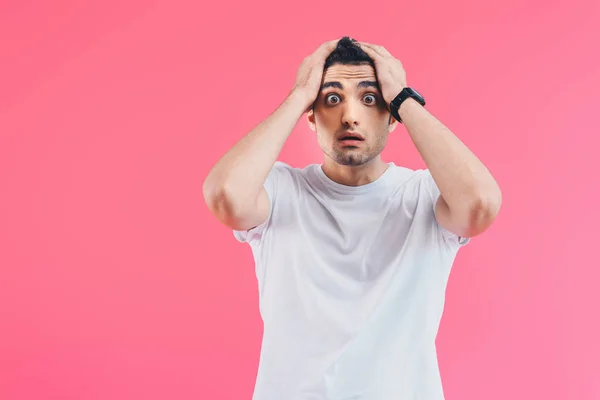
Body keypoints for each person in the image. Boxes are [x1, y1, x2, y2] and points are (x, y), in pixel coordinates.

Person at [203, 37, 502, 400]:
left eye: (371, 98)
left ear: (392, 116)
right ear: (311, 116)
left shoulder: (424, 196)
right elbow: (225, 196)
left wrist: (404, 97)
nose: (350, 116)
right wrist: (299, 94)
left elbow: (481, 205)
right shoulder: (281, 191)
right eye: (331, 99)